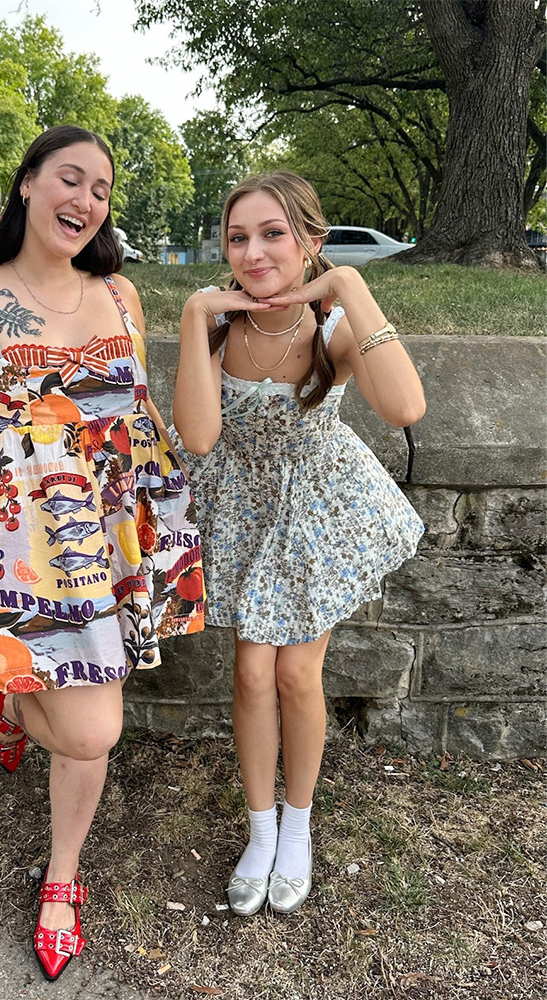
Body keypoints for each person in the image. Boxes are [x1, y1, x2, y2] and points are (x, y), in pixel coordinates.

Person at [0, 124, 204, 981]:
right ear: (28, 185)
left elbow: (131, 417)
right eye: (69, 179)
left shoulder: (121, 295)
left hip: (106, 537)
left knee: (90, 732)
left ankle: (61, 876)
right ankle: (10, 698)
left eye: (101, 190)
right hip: (15, 536)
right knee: (92, 730)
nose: (84, 201)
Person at [171, 170, 425, 918]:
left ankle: (299, 826)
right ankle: (260, 828)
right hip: (243, 506)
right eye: (238, 236)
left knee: (295, 675)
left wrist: (348, 286)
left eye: (273, 233)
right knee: (251, 673)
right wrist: (193, 316)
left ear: (311, 240)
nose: (253, 253)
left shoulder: (333, 331)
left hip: (316, 509)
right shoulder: (219, 324)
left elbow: (406, 403)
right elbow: (198, 436)